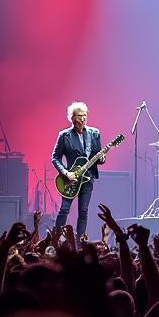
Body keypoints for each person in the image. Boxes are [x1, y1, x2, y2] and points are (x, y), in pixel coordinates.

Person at [51, 101, 104, 238]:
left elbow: (98, 157)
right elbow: (55, 158)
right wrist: (66, 173)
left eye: (85, 115)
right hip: (70, 179)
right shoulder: (64, 135)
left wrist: (102, 159)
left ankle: (79, 242)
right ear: (73, 118)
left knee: (83, 212)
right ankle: (56, 239)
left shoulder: (94, 133)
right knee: (64, 210)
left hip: (88, 177)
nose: (83, 118)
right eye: (80, 116)